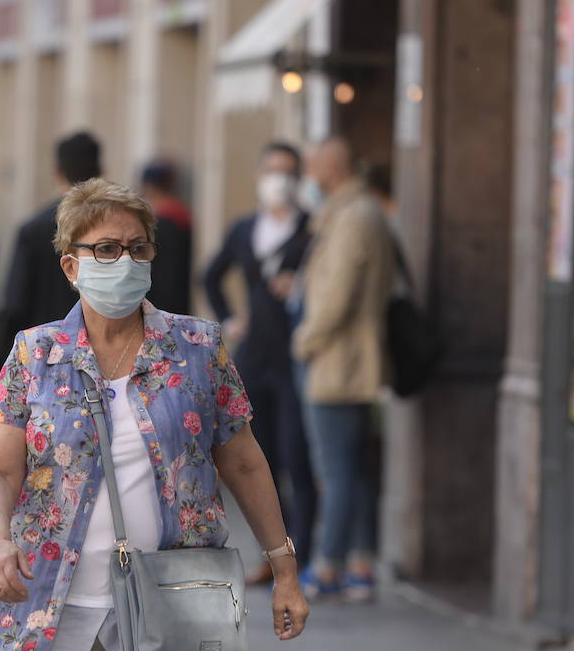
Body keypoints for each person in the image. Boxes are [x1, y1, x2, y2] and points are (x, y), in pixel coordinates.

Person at [0, 178, 310, 651]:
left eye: (136, 247)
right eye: (104, 249)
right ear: (70, 263)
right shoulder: (34, 354)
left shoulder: (197, 347)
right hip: (53, 599)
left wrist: (284, 566)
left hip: (174, 599)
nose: (122, 263)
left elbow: (242, 459)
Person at [203, 141, 316, 583]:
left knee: (297, 457)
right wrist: (230, 320)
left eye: (288, 171)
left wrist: (301, 284)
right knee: (260, 461)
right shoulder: (245, 228)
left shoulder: (312, 228)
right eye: (272, 170)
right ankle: (275, 554)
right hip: (254, 360)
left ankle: (303, 554)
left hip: (296, 357)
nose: (279, 180)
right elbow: (212, 275)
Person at [290, 138, 396, 602]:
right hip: (343, 360)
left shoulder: (354, 216)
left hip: (337, 361)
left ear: (330, 168)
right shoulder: (350, 211)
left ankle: (329, 565)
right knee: (354, 467)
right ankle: (359, 562)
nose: (307, 176)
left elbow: (339, 295)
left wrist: (305, 339)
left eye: (312, 166)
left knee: (335, 470)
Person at [0, 131, 104, 344]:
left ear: (57, 172)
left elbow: (15, 302)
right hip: (102, 347)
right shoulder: (114, 229)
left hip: (44, 347)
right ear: (100, 171)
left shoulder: (33, 229)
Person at [138, 159, 193, 315]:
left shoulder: (161, 222)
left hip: (164, 305)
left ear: (148, 187)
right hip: (183, 297)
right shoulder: (183, 215)